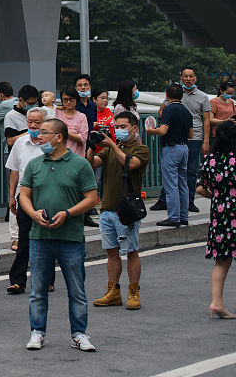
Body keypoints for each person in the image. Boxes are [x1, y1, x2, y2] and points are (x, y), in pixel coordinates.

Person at [19, 118, 99, 353]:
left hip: (70, 237)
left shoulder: (80, 164)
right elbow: (24, 195)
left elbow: (91, 198)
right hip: (39, 236)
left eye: (44, 132)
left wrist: (68, 213)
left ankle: (79, 334)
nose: (39, 136)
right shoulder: (35, 164)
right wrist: (33, 213)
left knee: (76, 288)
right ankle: (37, 332)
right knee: (38, 289)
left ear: (59, 137)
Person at [90, 110, 149, 311]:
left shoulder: (141, 149)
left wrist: (113, 145)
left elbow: (129, 163)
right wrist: (91, 145)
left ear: (134, 128)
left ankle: (134, 292)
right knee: (111, 253)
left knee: (131, 252)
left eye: (123, 127)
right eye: (117, 127)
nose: (119, 130)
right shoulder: (111, 150)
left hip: (127, 211)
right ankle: (113, 291)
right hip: (107, 208)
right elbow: (92, 163)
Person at [5, 108, 54, 296]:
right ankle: (18, 281)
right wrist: (11, 196)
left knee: (45, 237)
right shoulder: (20, 143)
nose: (33, 126)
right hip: (24, 195)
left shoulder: (49, 144)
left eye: (37, 122)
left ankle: (47, 279)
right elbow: (14, 170)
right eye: (30, 122)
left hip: (46, 195)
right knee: (24, 238)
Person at [198, 120, 236, 318]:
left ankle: (216, 302)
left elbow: (200, 187)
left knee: (222, 261)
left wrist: (220, 196)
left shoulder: (210, 159)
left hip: (219, 217)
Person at [149, 83, 193, 227]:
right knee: (183, 183)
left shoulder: (168, 110)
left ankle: (174, 217)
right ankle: (183, 216)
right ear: (182, 96)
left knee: (171, 185)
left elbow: (163, 131)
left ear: (167, 95)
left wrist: (151, 131)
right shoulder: (187, 111)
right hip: (184, 148)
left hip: (171, 148)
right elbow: (191, 134)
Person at [179, 66, 209, 209]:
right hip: (178, 137)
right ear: (181, 78)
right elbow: (163, 110)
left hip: (195, 137)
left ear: (195, 78)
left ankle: (190, 200)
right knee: (176, 169)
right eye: (185, 76)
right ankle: (170, 199)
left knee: (191, 170)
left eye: (191, 76)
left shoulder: (203, 97)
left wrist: (206, 141)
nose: (188, 79)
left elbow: (207, 120)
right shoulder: (176, 94)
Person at [205, 81, 235, 155]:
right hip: (218, 135)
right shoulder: (213, 102)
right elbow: (210, 119)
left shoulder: (231, 102)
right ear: (221, 90)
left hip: (231, 135)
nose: (229, 95)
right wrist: (224, 121)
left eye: (231, 94)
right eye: (228, 93)